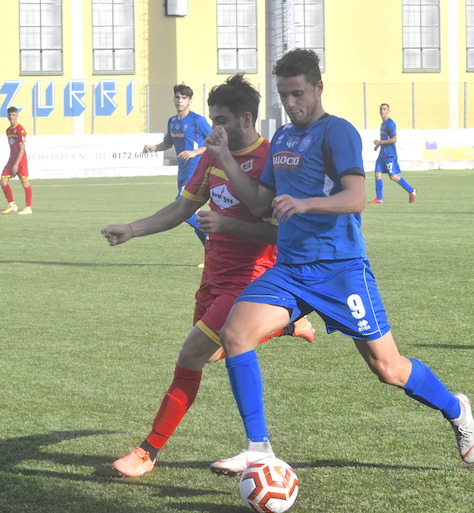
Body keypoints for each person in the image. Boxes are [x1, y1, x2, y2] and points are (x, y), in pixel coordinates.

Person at [208, 49, 474, 476]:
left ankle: (456, 408)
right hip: (291, 269)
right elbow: (262, 203)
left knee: (388, 368)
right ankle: (258, 447)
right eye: (284, 95)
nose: (292, 103)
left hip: (340, 269)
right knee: (235, 334)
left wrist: (305, 203)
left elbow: (357, 197)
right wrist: (225, 159)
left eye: (298, 93)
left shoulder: (338, 132)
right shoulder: (281, 138)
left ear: (318, 88)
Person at [101, 74, 315, 478]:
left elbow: (281, 232)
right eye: (213, 118)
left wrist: (229, 226)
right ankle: (287, 326)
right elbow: (182, 208)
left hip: (251, 278)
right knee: (213, 353)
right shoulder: (213, 155)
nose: (213, 127)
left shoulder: (270, 158)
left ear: (245, 118)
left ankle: (148, 451)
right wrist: (132, 229)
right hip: (214, 277)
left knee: (191, 355)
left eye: (221, 119)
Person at [143, 84, 212, 245]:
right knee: (191, 211)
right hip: (182, 172)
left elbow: (215, 141)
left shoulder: (197, 120)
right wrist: (153, 148)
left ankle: (211, 232)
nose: (180, 101)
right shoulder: (172, 121)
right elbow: (168, 142)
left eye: (184, 98)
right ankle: (210, 253)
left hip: (196, 170)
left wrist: (195, 152)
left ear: (190, 101)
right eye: (178, 97)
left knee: (182, 207)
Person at [370, 103, 416, 204]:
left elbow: (394, 139)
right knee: (377, 174)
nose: (382, 111)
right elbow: (385, 139)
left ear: (388, 111)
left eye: (385, 109)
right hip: (382, 154)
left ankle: (411, 190)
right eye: (381, 109)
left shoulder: (390, 123)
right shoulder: (382, 124)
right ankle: (379, 198)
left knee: (393, 177)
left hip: (389, 155)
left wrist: (380, 142)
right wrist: (378, 145)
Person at [0, 106, 33, 215]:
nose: (11, 117)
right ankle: (12, 205)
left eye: (13, 115)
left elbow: (22, 148)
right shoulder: (8, 130)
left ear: (17, 116)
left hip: (20, 160)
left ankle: (28, 207)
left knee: (24, 182)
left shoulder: (20, 130)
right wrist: (12, 162)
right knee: (3, 181)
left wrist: (16, 164)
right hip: (12, 159)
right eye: (9, 115)